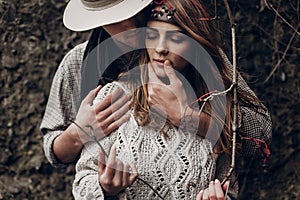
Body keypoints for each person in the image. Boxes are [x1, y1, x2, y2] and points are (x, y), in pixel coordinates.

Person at [72, 0, 272, 199]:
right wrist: (105, 189)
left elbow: (232, 181)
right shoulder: (115, 95)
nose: (160, 49)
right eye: (151, 36)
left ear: (197, 46)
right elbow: (82, 182)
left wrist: (187, 116)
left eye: (175, 39)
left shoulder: (216, 102)